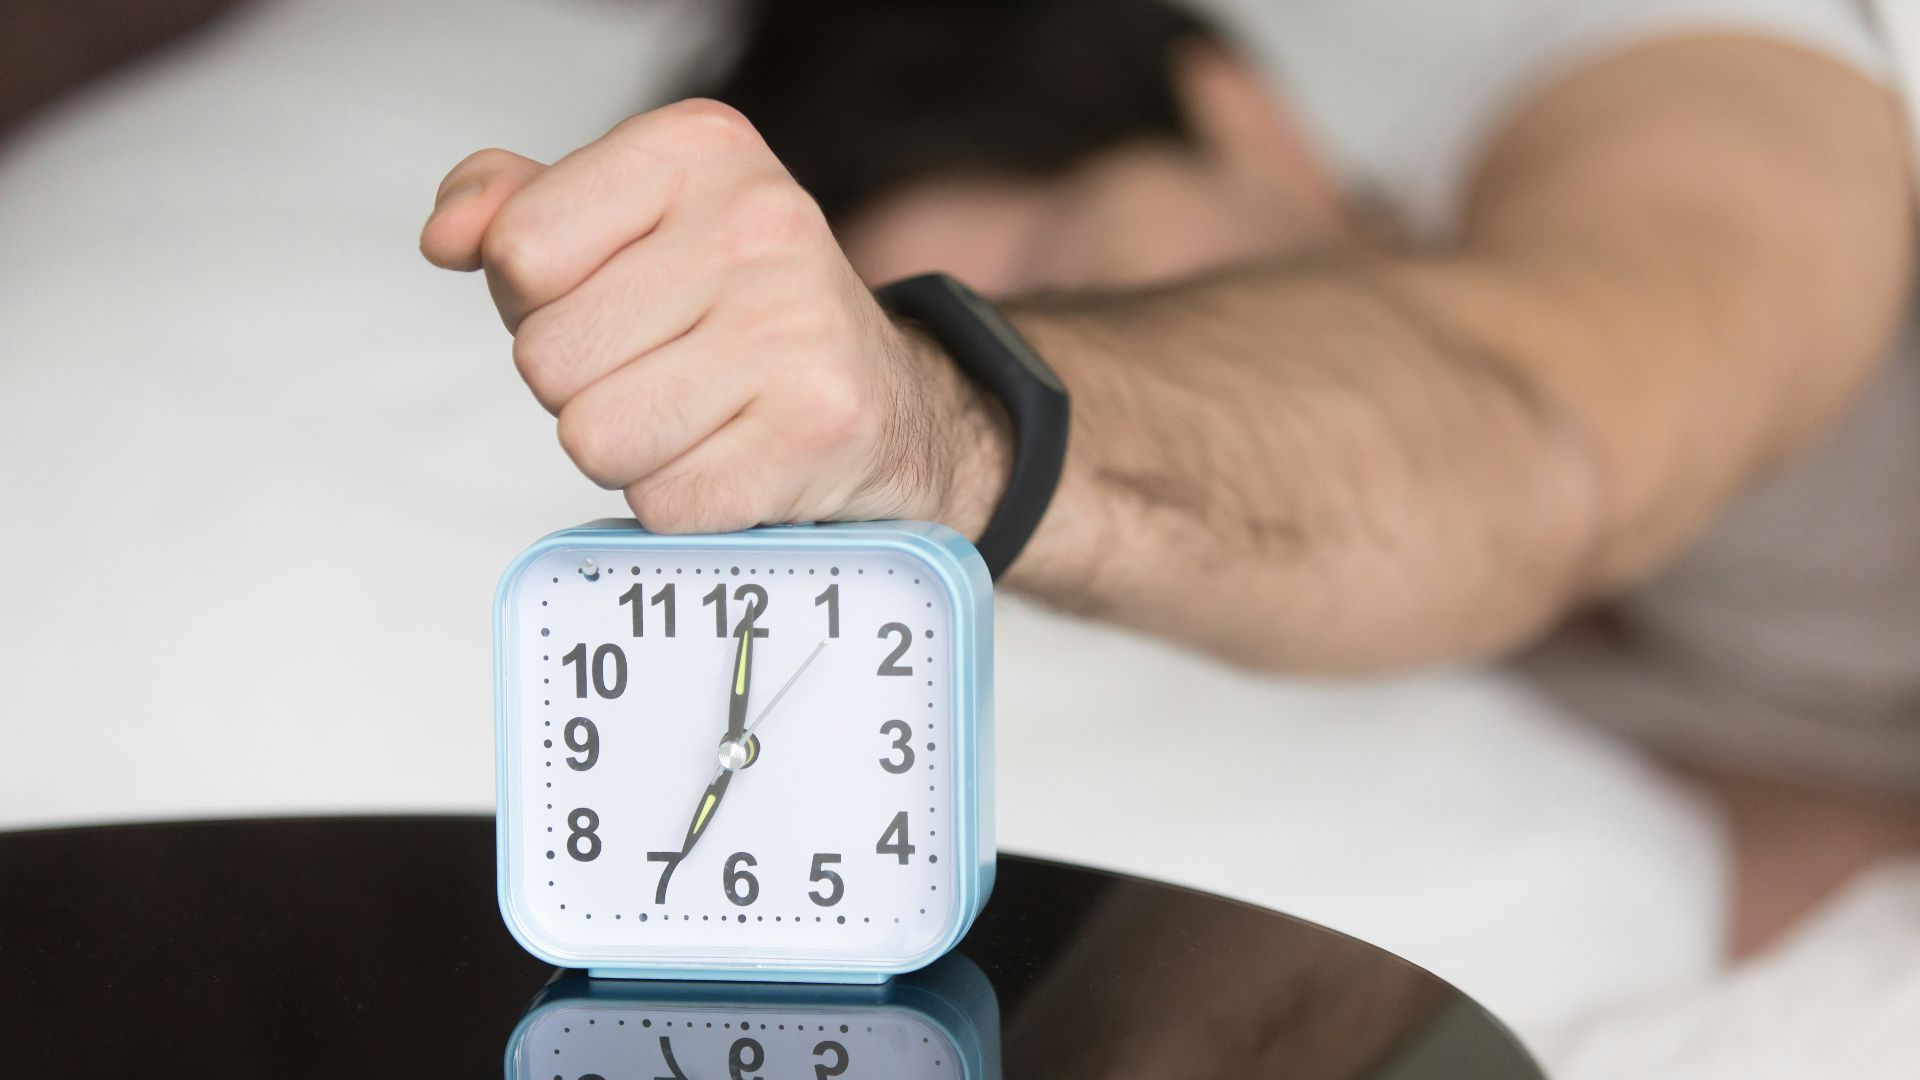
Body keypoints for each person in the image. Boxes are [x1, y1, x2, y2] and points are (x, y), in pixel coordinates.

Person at [419, 0, 1919, 952]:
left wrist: (952, 415)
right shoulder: (1417, 668)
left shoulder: (1697, 80)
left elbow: (1537, 430)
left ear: (1243, 122)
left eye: (1082, 286)